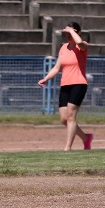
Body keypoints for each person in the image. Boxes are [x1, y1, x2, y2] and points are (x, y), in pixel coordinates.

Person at [38, 22, 93, 151]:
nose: (67, 36)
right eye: (66, 34)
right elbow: (57, 67)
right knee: (64, 119)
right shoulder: (63, 48)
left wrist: (73, 32)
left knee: (71, 116)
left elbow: (79, 43)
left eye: (70, 33)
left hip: (79, 83)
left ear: (77, 32)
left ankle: (67, 148)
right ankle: (86, 138)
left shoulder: (82, 46)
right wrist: (45, 79)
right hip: (65, 84)